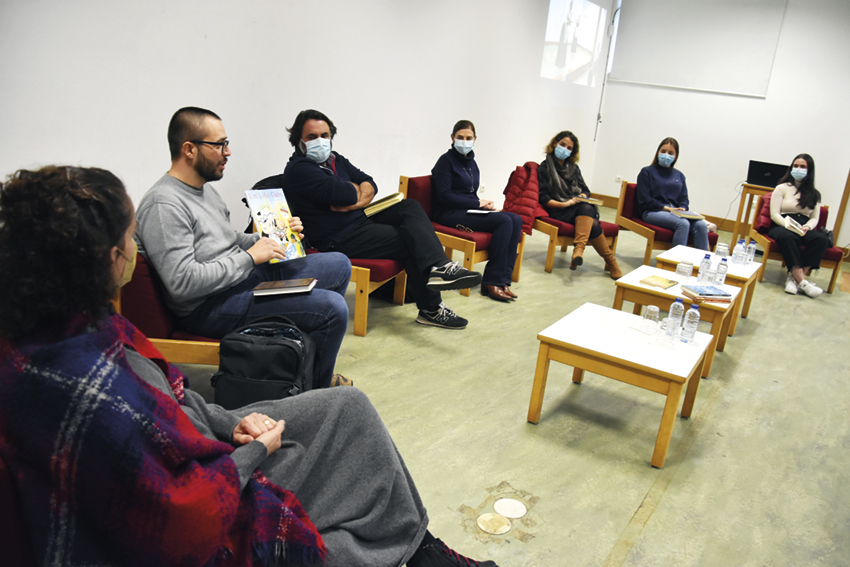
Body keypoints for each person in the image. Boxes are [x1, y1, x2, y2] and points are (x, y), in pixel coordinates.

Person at [0, 165, 500, 567]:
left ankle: (421, 543)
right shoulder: (90, 389)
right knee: (332, 313)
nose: (227, 152)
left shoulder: (82, 327)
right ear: (109, 258)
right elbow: (183, 516)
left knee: (349, 401)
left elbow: (178, 400)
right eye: (131, 241)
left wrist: (229, 419)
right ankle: (417, 550)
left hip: (207, 428)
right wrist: (255, 450)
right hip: (212, 432)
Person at [135, 107, 352, 389]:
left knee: (338, 264)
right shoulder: (164, 205)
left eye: (226, 143)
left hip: (238, 279)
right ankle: (314, 389)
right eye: (219, 144)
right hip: (209, 306)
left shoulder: (204, 189)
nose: (227, 152)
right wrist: (250, 258)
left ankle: (301, 367)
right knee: (332, 308)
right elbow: (183, 284)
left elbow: (228, 239)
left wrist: (276, 238)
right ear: (189, 149)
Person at [275, 109, 482, 329]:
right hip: (337, 236)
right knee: (409, 239)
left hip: (359, 219)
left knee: (409, 206)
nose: (321, 141)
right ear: (298, 140)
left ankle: (441, 266)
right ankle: (431, 308)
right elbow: (345, 193)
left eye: (325, 135)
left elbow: (369, 183)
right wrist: (353, 192)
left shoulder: (335, 159)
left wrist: (354, 199)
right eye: (312, 137)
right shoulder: (299, 170)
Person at [431, 120, 523, 302]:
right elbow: (444, 196)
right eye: (460, 137)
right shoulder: (445, 162)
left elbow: (470, 193)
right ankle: (492, 281)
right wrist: (477, 203)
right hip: (448, 213)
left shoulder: (472, 163)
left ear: (475, 140)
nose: (464, 141)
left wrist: (482, 204)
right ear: (452, 138)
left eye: (468, 138)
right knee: (504, 221)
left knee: (516, 219)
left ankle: (504, 280)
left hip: (468, 210)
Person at [537, 130, 622, 278]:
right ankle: (610, 261)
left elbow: (586, 190)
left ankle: (579, 251)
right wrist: (564, 204)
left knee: (586, 207)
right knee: (592, 220)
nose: (565, 149)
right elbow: (543, 197)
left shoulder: (574, 168)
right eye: (562, 145)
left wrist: (582, 195)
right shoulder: (544, 167)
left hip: (577, 208)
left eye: (569, 148)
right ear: (555, 143)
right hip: (558, 209)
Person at [768, 153, 829, 298]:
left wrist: (807, 226)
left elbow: (814, 218)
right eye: (796, 166)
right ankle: (803, 283)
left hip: (803, 227)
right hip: (783, 225)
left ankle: (795, 278)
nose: (798, 169)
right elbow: (774, 214)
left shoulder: (814, 194)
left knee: (822, 239)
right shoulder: (781, 188)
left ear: (809, 170)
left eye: (802, 167)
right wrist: (787, 224)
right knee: (788, 237)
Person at [635, 137, 710, 252]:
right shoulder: (646, 172)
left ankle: (701, 265)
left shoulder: (679, 175)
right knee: (683, 224)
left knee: (701, 225)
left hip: (676, 213)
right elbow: (644, 199)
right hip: (653, 212)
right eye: (663, 151)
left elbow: (684, 198)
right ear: (658, 152)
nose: (666, 155)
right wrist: (667, 209)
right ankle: (674, 263)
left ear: (676, 156)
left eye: (670, 153)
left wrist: (683, 208)